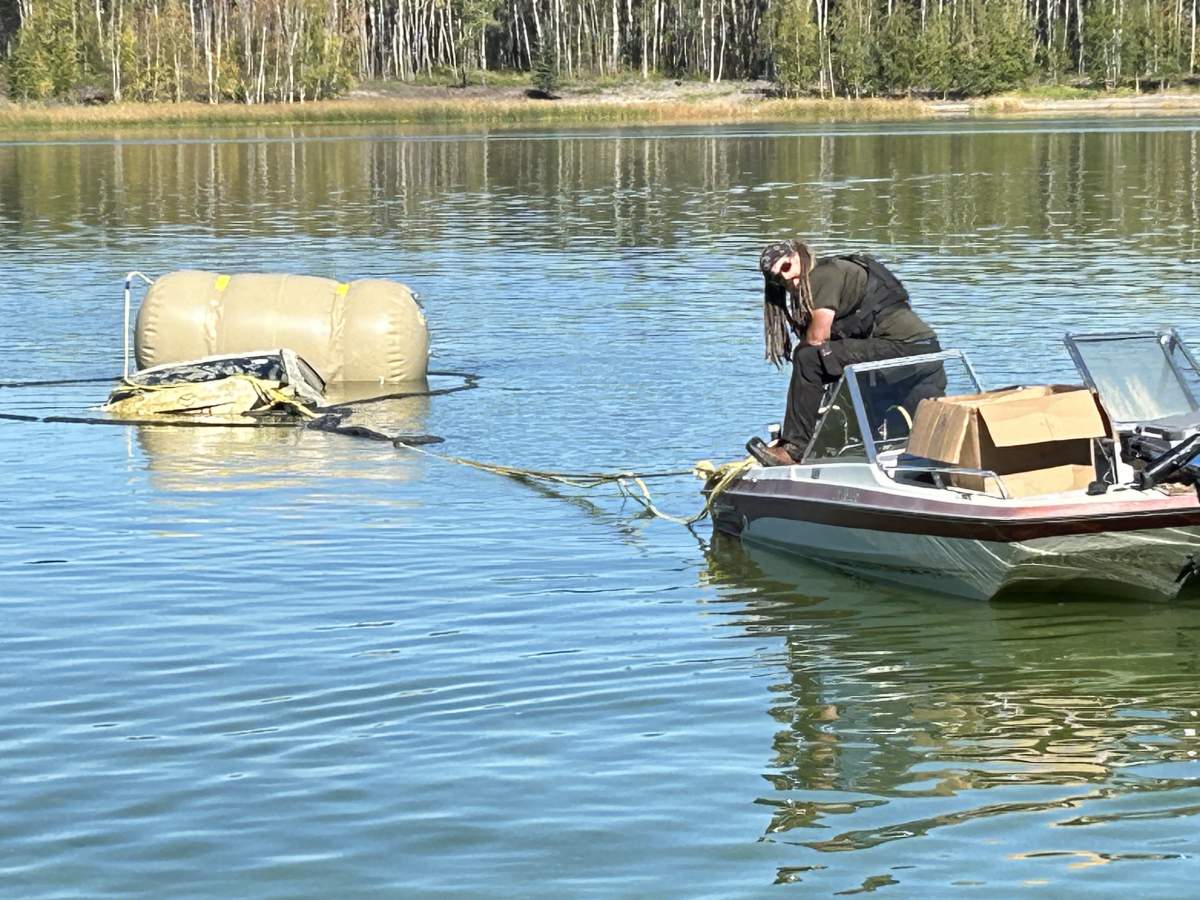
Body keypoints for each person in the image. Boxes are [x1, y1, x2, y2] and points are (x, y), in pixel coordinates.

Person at [753, 239, 941, 466]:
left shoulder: (821, 275)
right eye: (775, 278)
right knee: (834, 360)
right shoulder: (824, 275)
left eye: (786, 267)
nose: (784, 278)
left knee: (808, 357)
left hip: (904, 348)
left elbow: (817, 338)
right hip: (927, 352)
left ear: (798, 256)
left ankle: (794, 450)